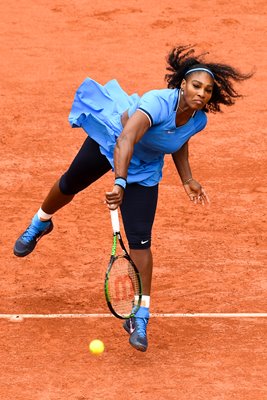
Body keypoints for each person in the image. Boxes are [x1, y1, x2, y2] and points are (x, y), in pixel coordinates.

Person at [13, 45, 252, 352]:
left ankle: (140, 316)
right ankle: (39, 224)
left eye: (207, 90)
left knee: (141, 241)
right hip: (113, 140)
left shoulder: (198, 120)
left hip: (145, 168)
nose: (202, 93)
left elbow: (175, 141)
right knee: (69, 184)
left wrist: (188, 178)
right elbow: (126, 138)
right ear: (182, 84)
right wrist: (120, 182)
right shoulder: (156, 102)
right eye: (196, 86)